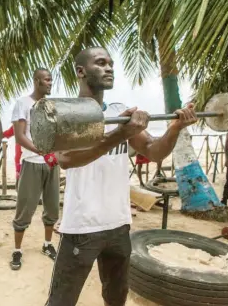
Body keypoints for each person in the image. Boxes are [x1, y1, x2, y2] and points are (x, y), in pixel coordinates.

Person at [45, 47, 197, 306]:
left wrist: (175, 129)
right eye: (100, 63)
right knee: (61, 301)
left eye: (111, 63)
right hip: (82, 226)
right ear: (81, 71)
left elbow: (153, 151)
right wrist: (119, 134)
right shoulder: (67, 113)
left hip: (118, 225)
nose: (109, 68)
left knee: (116, 299)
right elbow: (68, 160)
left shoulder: (119, 110)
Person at [9, 68, 60, 271]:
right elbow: (20, 136)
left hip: (51, 164)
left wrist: (55, 154)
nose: (50, 83)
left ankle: (47, 245)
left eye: (51, 80)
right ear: (37, 81)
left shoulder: (51, 106)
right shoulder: (23, 104)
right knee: (24, 208)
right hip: (31, 162)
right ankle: (17, 249)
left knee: (52, 207)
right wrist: (41, 152)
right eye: (47, 79)